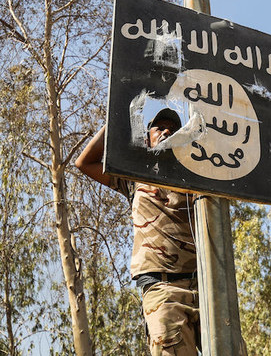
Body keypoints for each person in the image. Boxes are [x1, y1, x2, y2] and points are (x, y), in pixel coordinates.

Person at [75, 108, 200, 356]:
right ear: (146, 139)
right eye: (159, 128)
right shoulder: (133, 178)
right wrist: (118, 109)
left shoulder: (197, 175)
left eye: (173, 130)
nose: (166, 131)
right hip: (163, 289)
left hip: (207, 286)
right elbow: (85, 163)